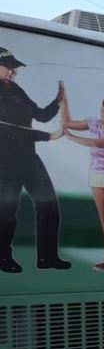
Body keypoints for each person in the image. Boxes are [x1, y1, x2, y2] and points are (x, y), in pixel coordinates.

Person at [0, 47, 70, 273]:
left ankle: (47, 258)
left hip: (28, 158)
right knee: (6, 213)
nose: (13, 73)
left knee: (49, 205)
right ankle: (2, 257)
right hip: (5, 162)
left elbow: (40, 115)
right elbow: (8, 130)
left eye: (15, 69)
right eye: (9, 68)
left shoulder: (16, 90)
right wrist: (48, 136)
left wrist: (57, 102)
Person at [61, 89, 104, 280]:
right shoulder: (93, 122)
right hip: (96, 175)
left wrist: (71, 137)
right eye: (102, 108)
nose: (102, 111)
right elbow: (68, 122)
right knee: (103, 219)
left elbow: (99, 144)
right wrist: (64, 102)